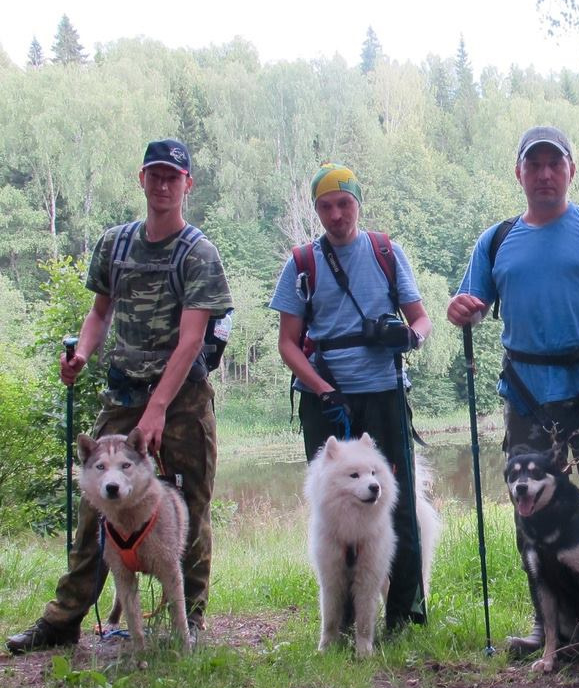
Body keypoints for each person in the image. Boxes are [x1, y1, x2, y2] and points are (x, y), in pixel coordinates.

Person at [7, 139, 233, 654]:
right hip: (122, 393)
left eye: (172, 176)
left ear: (186, 185)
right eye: (154, 174)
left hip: (182, 401)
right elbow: (99, 313)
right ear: (141, 179)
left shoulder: (198, 252)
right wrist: (81, 356)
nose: (162, 184)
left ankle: (188, 624)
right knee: (96, 511)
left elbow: (193, 337)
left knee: (189, 508)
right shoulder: (115, 243)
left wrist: (157, 408)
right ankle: (64, 621)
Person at [446, 125, 579, 654]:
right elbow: (473, 303)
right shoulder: (496, 240)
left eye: (553, 164)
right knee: (528, 510)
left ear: (570, 170)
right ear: (519, 173)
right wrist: (459, 310)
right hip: (526, 396)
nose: (544, 174)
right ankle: (550, 627)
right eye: (533, 165)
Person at [270, 162, 433, 633]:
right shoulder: (301, 264)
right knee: (332, 509)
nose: (336, 214)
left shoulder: (385, 252)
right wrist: (323, 389)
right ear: (317, 209)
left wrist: (409, 339)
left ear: (358, 204)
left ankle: (404, 615)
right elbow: (288, 343)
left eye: (344, 204)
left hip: (384, 395)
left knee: (395, 505)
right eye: (326, 206)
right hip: (327, 400)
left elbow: (421, 320)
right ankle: (338, 624)